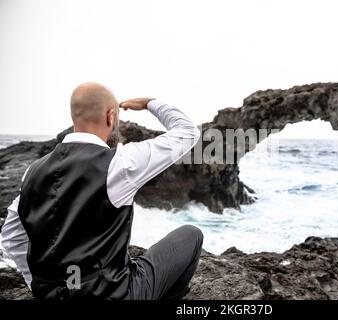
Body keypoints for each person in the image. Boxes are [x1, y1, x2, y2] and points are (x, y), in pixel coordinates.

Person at [0, 82, 203, 299]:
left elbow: (11, 234)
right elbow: (187, 133)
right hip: (115, 295)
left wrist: (38, 284)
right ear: (111, 116)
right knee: (191, 235)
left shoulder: (33, 171)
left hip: (52, 294)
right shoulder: (120, 163)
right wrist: (150, 103)